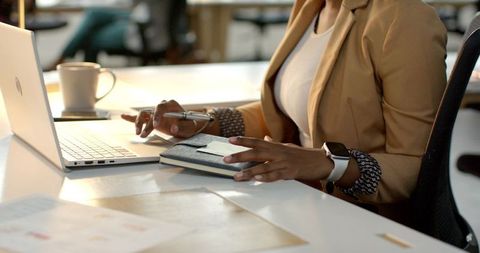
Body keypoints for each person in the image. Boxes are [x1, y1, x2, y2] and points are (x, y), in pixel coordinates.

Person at [122, 0, 447, 224]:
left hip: (362, 221)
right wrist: (203, 122)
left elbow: (417, 166)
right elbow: (287, 114)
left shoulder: (404, 18)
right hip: (297, 201)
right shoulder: (310, 6)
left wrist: (326, 163)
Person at [51, 0, 188, 66]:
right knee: (94, 14)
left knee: (91, 38)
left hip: (147, 32)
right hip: (145, 21)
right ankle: (63, 59)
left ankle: (63, 62)